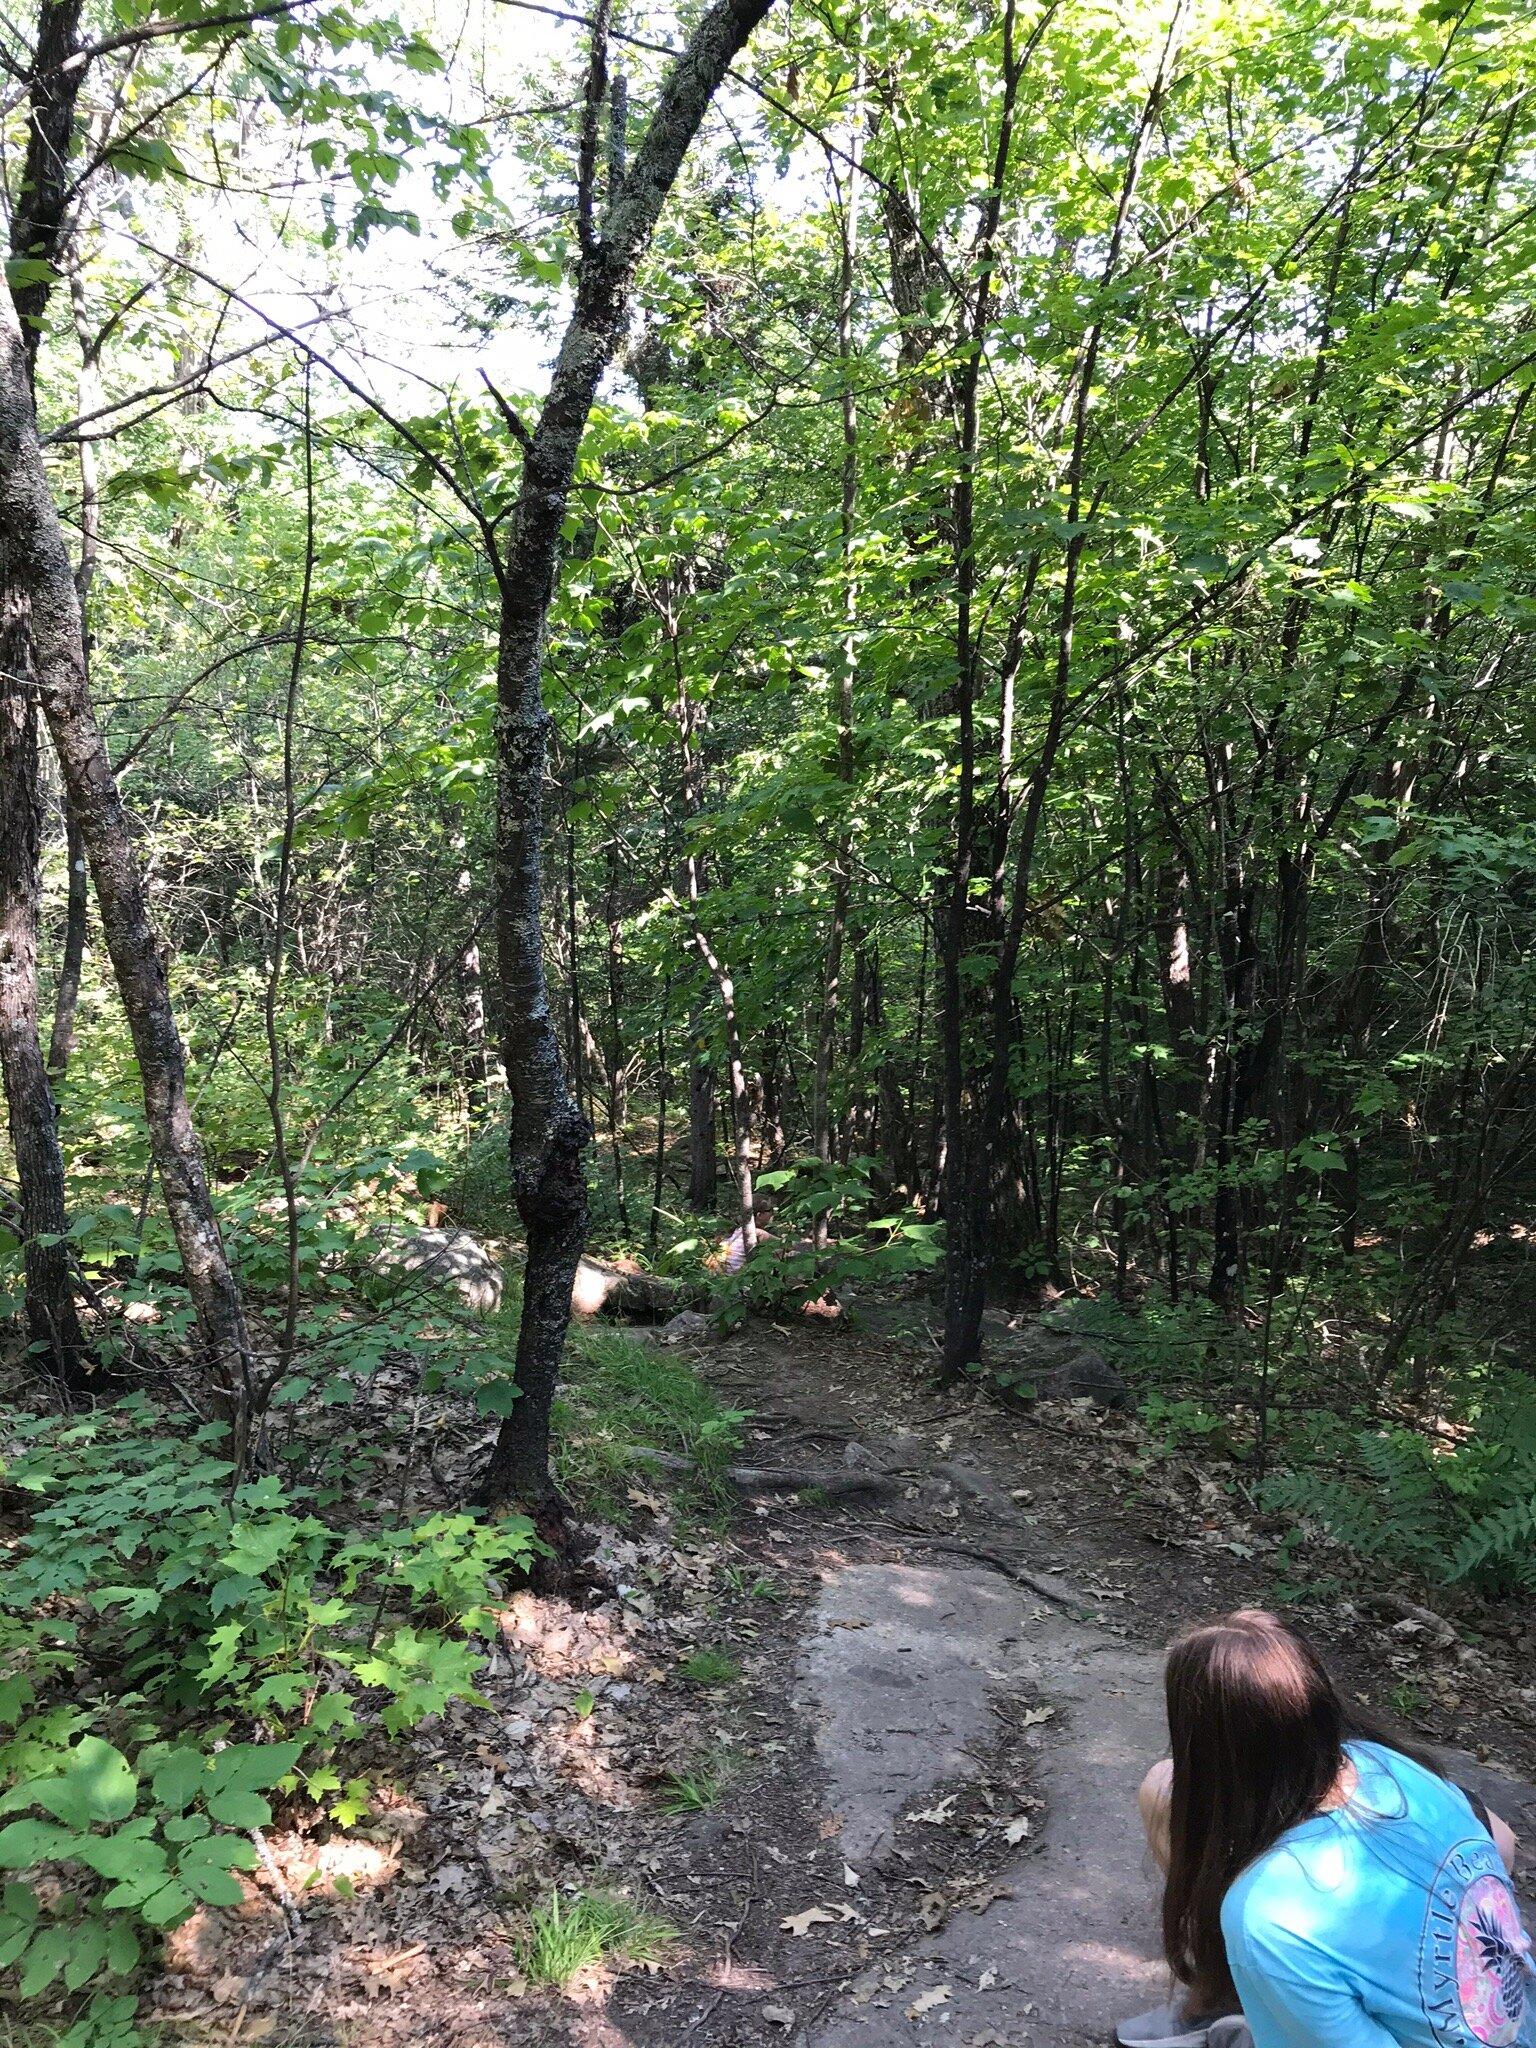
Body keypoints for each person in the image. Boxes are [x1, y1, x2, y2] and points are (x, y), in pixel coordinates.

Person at [1120, 1609, 1528, 2048]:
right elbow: (1500, 1840)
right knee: (1163, 1784)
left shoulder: (1270, 1911)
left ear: (1205, 1743)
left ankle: (1246, 2007)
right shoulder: (1391, 1763)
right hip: (1514, 2022)